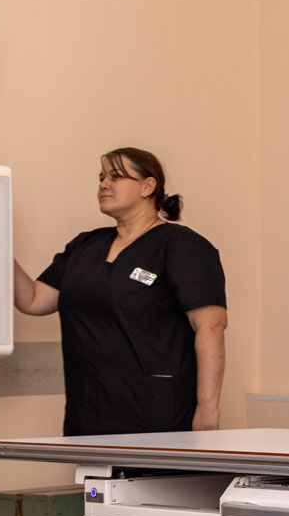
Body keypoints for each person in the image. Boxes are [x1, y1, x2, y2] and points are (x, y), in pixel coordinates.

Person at [13, 147, 227, 435]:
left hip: (157, 415)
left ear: (147, 186)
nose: (104, 184)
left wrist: (208, 410)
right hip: (88, 413)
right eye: (101, 177)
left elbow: (211, 327)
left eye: (115, 177)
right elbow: (33, 300)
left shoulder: (181, 245)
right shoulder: (84, 246)